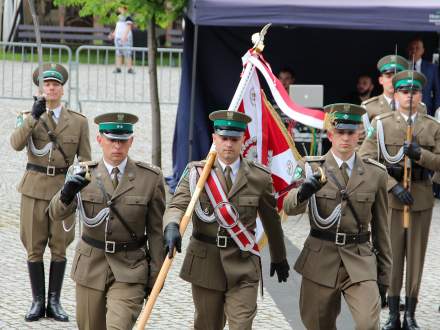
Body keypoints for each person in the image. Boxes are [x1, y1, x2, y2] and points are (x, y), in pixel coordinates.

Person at [163, 110, 289, 330]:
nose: (228, 144)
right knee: (207, 325)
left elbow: (271, 220)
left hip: (243, 263)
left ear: (243, 140)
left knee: (241, 325)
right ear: (214, 138)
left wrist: (279, 257)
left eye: (234, 139)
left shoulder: (259, 177)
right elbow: (177, 205)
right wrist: (172, 225)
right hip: (206, 263)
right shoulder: (197, 173)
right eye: (224, 138)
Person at [48, 112, 165, 330]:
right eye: (112, 140)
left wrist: (156, 277)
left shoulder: (150, 178)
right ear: (100, 139)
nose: (117, 147)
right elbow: (55, 214)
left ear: (131, 141)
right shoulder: (82, 174)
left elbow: (157, 232)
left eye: (122, 141)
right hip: (91, 267)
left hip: (130, 268)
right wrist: (66, 193)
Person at [283, 103, 392, 330]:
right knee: (317, 324)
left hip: (359, 258)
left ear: (359, 134)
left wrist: (384, 277)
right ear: (330, 134)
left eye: (350, 132)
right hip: (320, 256)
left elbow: (382, 229)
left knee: (368, 324)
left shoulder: (376, 173)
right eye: (340, 132)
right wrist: (302, 192)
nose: (345, 138)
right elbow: (288, 207)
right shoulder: (311, 167)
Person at [10, 63, 91, 322]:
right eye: (47, 84)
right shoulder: (29, 116)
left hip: (62, 191)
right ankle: (37, 302)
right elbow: (15, 144)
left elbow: (86, 160)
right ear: (40, 88)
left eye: (55, 84)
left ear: (62, 89)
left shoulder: (78, 122)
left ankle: (54, 302)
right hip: (33, 189)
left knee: (59, 247)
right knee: (34, 247)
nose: (51, 88)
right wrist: (33, 117)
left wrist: (78, 187)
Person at [359, 70, 440, 330]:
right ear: (396, 94)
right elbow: (366, 159)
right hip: (391, 200)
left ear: (420, 95)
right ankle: (393, 314)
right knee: (391, 256)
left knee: (416, 257)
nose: (409, 96)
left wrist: (421, 155)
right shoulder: (382, 123)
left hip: (421, 197)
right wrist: (392, 186)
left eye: (414, 92)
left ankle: (411, 315)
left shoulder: (432, 126)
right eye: (404, 91)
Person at [407, 37, 440, 116]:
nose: (414, 51)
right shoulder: (403, 67)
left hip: (427, 110)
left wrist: (437, 111)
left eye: (417, 48)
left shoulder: (432, 68)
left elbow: (437, 92)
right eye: (412, 48)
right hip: (406, 109)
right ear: (408, 50)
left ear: (423, 50)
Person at [110, 5, 134, 74]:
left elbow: (129, 26)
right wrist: (113, 34)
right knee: (118, 53)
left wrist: (125, 35)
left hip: (126, 38)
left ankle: (129, 68)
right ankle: (118, 68)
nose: (119, 9)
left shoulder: (127, 16)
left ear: (125, 9)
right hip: (118, 37)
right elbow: (117, 27)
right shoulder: (118, 17)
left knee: (128, 53)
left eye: (120, 8)